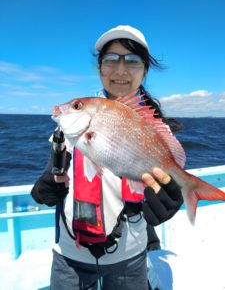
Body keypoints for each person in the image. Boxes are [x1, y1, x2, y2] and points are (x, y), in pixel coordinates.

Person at [31, 25, 183, 290]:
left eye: (133, 61)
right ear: (100, 68)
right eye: (111, 60)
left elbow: (167, 179)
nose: (121, 70)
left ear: (144, 70)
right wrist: (47, 184)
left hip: (130, 254)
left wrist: (170, 198)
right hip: (70, 255)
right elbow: (55, 171)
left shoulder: (157, 131)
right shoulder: (76, 120)